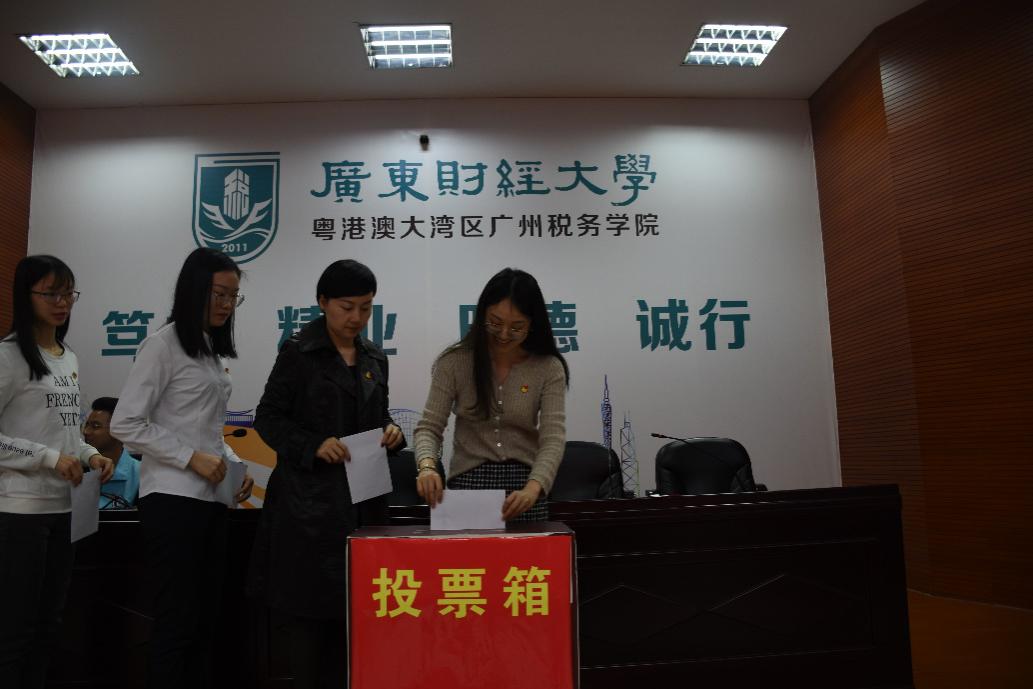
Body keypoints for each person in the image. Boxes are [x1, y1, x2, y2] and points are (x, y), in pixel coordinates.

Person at [248, 259, 404, 689]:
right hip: (309, 510)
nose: (357, 318)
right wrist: (312, 444)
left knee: (357, 622)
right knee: (308, 624)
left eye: (366, 308)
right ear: (323, 302)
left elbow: (377, 416)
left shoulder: (374, 356)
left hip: (365, 503)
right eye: (346, 307)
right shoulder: (299, 353)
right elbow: (268, 418)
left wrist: (393, 432)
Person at [110, 247, 254, 689]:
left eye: (233, 296)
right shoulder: (162, 345)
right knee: (176, 621)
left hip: (211, 500)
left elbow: (204, 430)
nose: (226, 305)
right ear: (194, 290)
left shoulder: (209, 349)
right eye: (219, 294)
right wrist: (190, 458)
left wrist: (234, 467)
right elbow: (125, 423)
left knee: (205, 621)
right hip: (172, 501)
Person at [0, 255, 113, 689]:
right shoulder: (9, 356)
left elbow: (67, 435)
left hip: (66, 510)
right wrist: (48, 458)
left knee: (50, 625)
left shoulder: (68, 358)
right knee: (15, 629)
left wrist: (90, 456)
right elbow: (45, 448)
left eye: (68, 293)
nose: (62, 302)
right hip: (19, 512)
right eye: (50, 293)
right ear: (25, 295)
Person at [414, 267, 568, 522]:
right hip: (468, 485)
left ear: (533, 324)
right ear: (482, 314)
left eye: (517, 327)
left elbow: (553, 437)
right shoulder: (454, 362)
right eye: (495, 323)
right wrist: (427, 466)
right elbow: (429, 428)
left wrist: (534, 488)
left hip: (525, 491)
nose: (504, 334)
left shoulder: (548, 368)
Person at [83, 396, 140, 508]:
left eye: (95, 426)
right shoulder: (78, 468)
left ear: (119, 431)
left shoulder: (140, 473)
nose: (86, 432)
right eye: (86, 425)